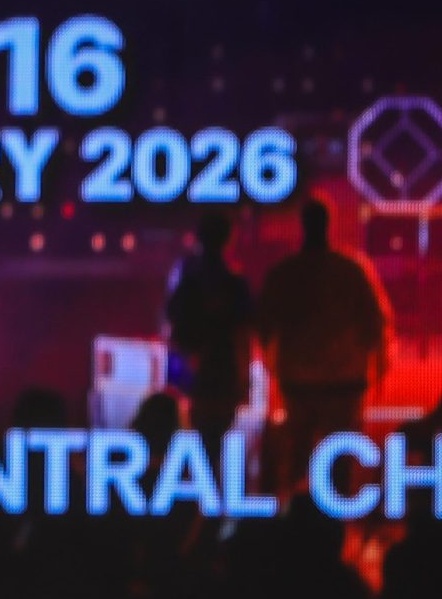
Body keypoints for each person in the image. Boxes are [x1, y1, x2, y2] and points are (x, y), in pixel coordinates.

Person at [255, 196, 393, 496]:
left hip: (299, 379)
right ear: (329, 224)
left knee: (299, 456)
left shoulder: (286, 272)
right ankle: (334, 516)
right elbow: (374, 323)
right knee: (339, 460)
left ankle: (296, 514)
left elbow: (265, 325)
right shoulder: (350, 270)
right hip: (344, 379)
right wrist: (379, 367)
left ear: (302, 225)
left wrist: (272, 368)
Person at [165, 209, 256, 454]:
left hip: (199, 378)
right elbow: (244, 334)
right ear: (229, 239)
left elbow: (172, 323)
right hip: (221, 378)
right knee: (211, 447)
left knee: (204, 446)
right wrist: (244, 381)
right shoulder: (234, 285)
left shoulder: (188, 282)